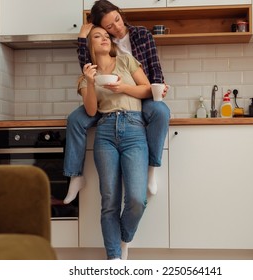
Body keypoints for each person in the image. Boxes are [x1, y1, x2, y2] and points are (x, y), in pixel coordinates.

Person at [63, 0, 170, 204]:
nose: (117, 28)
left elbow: (154, 66)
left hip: (136, 94)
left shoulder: (141, 35)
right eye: (109, 27)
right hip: (105, 97)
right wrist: (82, 37)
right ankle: (75, 175)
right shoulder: (104, 40)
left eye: (118, 20)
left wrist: (158, 88)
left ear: (121, 14)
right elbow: (87, 65)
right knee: (75, 119)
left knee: (161, 112)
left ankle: (151, 169)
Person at [79, 25, 150, 260]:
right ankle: (114, 260)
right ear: (90, 44)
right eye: (97, 36)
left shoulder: (126, 61)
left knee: (137, 199)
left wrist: (124, 88)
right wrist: (90, 82)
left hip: (134, 129)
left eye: (106, 36)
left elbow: (148, 89)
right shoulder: (86, 74)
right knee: (109, 200)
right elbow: (90, 111)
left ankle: (122, 238)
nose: (104, 39)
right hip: (106, 131)